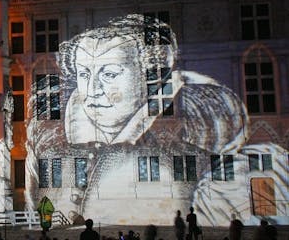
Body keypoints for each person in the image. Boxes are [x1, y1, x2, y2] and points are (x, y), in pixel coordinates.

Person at [26, 14, 249, 225]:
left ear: (150, 75)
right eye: (84, 74)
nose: (92, 90)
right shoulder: (50, 147)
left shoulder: (203, 145)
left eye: (109, 74)